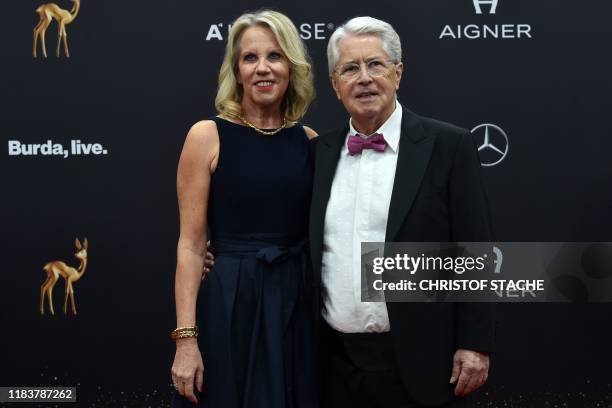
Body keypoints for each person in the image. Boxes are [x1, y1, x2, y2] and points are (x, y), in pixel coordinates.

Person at [309, 17, 496, 407]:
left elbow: (474, 252)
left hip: (420, 362)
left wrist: (475, 343)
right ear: (333, 83)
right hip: (331, 366)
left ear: (398, 72)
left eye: (375, 64)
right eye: (349, 68)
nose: (363, 78)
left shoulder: (448, 145)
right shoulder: (316, 155)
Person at [171, 10, 318, 408]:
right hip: (231, 302)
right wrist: (186, 339)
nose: (263, 68)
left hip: (297, 304)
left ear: (292, 66)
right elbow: (190, 244)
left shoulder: (310, 141)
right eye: (250, 58)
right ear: (235, 70)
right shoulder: (207, 136)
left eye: (275, 56)